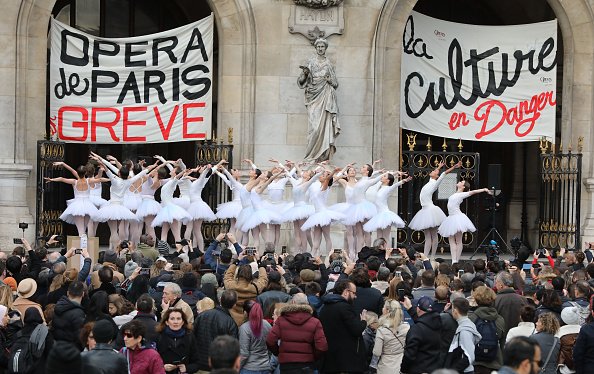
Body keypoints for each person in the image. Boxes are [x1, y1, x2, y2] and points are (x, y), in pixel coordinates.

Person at [297, 37, 340, 162]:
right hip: (313, 96)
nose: (320, 49)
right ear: (315, 48)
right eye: (318, 47)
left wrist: (329, 80)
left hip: (326, 95)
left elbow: (335, 84)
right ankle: (311, 156)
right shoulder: (310, 62)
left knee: (325, 126)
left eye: (322, 47)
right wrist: (305, 73)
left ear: (325, 48)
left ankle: (322, 157)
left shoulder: (329, 64)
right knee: (314, 128)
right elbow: (300, 81)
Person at [408, 161, 460, 258]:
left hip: (430, 210)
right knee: (427, 236)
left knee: (434, 235)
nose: (433, 171)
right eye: (434, 171)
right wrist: (439, 166)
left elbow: (444, 174)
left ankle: (432, 256)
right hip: (424, 210)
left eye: (435, 172)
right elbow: (437, 171)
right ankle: (425, 256)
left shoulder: (435, 183)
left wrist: (454, 167)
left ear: (436, 176)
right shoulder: (429, 182)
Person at [266, 295, 328, 373]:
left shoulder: (281, 320)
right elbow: (322, 346)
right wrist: (312, 356)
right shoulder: (315, 322)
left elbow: (270, 340)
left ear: (293, 302)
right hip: (307, 364)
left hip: (287, 364)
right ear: (307, 304)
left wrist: (278, 352)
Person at [319, 280, 367, 373]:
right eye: (354, 293)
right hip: (344, 360)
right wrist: (364, 321)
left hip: (330, 358)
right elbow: (357, 329)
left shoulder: (325, 307)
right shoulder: (344, 307)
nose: (355, 296)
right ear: (346, 292)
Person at [438, 181, 492, 263]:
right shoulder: (456, 194)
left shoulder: (462, 194)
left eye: (461, 182)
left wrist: (484, 189)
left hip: (457, 217)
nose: (459, 182)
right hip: (451, 217)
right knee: (451, 241)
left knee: (458, 240)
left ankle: (456, 260)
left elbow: (473, 192)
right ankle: (453, 260)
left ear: (463, 187)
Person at [45, 162, 100, 236]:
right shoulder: (88, 181)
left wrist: (52, 179)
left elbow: (63, 178)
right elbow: (101, 179)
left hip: (78, 206)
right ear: (85, 172)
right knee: (86, 227)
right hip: (88, 205)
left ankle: (83, 246)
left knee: (81, 231)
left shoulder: (76, 181)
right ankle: (87, 245)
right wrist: (111, 178)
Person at [301, 168, 344, 257]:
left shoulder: (325, 187)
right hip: (316, 215)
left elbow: (329, 179)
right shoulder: (314, 186)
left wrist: (333, 172)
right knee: (316, 238)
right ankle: (312, 256)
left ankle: (329, 257)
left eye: (323, 175)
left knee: (327, 236)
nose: (321, 176)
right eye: (321, 175)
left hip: (323, 214)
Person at [194, 290, 240, 372]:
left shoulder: (202, 315)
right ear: (234, 305)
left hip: (199, 365)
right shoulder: (230, 322)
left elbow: (192, 337)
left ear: (220, 299)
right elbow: (232, 348)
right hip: (219, 367)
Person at [363, 173, 412, 245]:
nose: (382, 177)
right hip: (378, 215)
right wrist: (395, 175)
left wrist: (404, 181)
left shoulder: (388, 189)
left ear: (388, 180)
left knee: (385, 237)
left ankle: (387, 253)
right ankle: (379, 253)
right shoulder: (380, 187)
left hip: (385, 215)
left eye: (384, 176)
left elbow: (395, 185)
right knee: (379, 237)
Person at [401, 296, 443, 374]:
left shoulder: (417, 329)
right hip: (435, 369)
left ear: (418, 309)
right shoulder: (439, 322)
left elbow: (410, 355)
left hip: (419, 369)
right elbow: (425, 321)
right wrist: (410, 309)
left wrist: (403, 370)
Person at [468, 286, 505, 374]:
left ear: (476, 300)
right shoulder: (500, 320)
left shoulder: (471, 319)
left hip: (475, 363)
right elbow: (502, 343)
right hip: (495, 363)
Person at [156, 308, 200, 374]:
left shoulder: (190, 337)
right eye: (172, 319)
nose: (175, 322)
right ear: (167, 322)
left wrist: (187, 368)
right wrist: (162, 367)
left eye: (179, 319)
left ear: (182, 322)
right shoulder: (159, 337)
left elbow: (197, 362)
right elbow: (151, 361)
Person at [372, 299, 410, 374]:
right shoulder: (406, 327)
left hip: (385, 366)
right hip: (401, 365)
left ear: (387, 311)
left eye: (384, 307)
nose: (382, 308)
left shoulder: (382, 330)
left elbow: (377, 352)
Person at [448, 297, 482, 374]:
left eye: (452, 309)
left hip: (465, 371)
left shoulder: (464, 330)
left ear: (455, 311)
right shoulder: (468, 324)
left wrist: (453, 370)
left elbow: (469, 356)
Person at [238, 300, 271, 374]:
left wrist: (236, 368)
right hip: (265, 366)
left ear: (245, 313)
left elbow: (244, 354)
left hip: (249, 368)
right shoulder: (267, 325)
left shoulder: (244, 328)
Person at [52, 280, 87, 348]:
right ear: (83, 294)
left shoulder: (58, 306)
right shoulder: (78, 313)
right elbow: (79, 337)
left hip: (57, 348)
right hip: (70, 351)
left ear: (68, 293)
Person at [494, 271, 528, 339]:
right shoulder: (523, 299)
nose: (495, 285)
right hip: (519, 338)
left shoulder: (495, 300)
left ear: (501, 285)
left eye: (496, 283)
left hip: (501, 338)